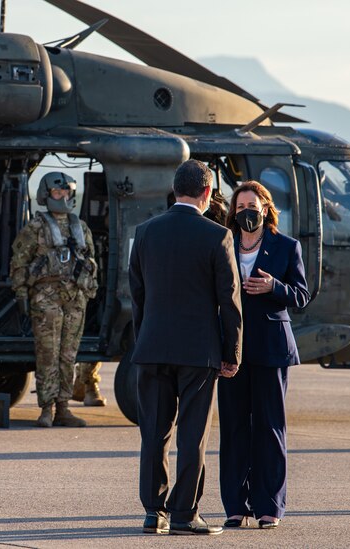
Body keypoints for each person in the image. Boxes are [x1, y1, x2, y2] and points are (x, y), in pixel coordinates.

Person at [129, 159, 242, 536]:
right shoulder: (217, 236)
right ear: (208, 193)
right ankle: (184, 513)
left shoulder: (145, 232)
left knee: (154, 434)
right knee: (193, 436)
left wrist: (142, 342)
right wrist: (232, 352)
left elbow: (138, 297)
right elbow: (229, 302)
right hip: (199, 352)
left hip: (152, 347)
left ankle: (152, 513)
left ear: (175, 189)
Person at [219, 180, 310, 529]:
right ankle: (234, 506)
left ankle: (270, 505)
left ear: (266, 207)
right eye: (240, 207)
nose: (246, 212)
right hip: (233, 349)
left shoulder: (286, 246)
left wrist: (275, 287)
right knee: (234, 427)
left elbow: (301, 295)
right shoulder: (222, 242)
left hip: (272, 349)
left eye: (252, 205)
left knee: (270, 428)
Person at [10, 172, 98, 428]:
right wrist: (22, 294)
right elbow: (19, 264)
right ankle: (46, 409)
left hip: (74, 299)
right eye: (57, 193)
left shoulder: (80, 228)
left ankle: (63, 408)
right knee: (47, 354)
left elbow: (91, 260)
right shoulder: (35, 228)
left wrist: (87, 291)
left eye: (66, 192)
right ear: (46, 195)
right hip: (46, 300)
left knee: (68, 355)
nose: (62, 196)